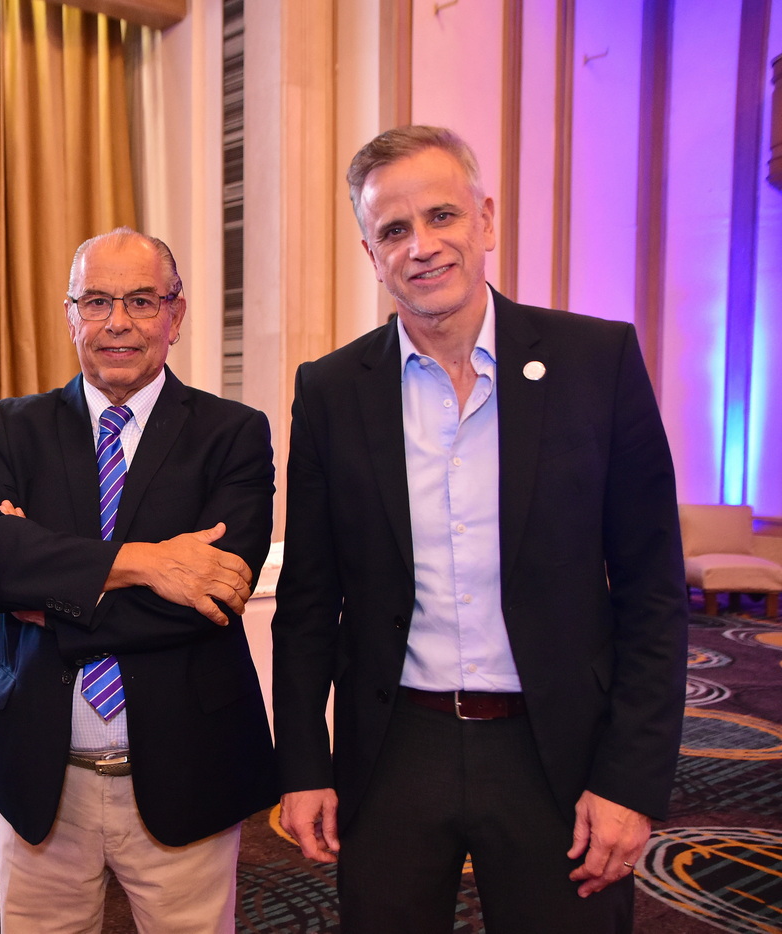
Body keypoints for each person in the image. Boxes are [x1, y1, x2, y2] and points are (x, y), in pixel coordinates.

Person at [272, 125, 687, 932]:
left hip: (557, 752)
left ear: (486, 221)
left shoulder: (596, 363)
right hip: (393, 750)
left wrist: (630, 780)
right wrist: (302, 764)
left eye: (442, 216)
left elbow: (653, 594)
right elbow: (309, 603)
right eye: (394, 229)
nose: (421, 246)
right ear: (371, 252)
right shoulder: (331, 391)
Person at [0, 227, 278, 933]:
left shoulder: (233, 434)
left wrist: (48, 591)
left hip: (186, 766)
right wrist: (146, 564)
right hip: (41, 771)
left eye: (141, 301)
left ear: (175, 315)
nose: (118, 322)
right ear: (71, 315)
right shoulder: (14, 427)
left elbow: (212, 597)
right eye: (96, 301)